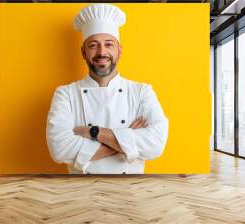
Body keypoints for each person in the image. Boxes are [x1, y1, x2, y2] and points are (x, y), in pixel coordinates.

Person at [46, 3, 169, 174]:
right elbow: (59, 149)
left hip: (130, 191)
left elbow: (156, 144)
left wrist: (93, 132)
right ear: (83, 52)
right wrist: (127, 138)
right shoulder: (65, 94)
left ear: (119, 50)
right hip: (80, 190)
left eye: (109, 44)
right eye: (93, 45)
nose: (101, 52)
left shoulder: (142, 91)